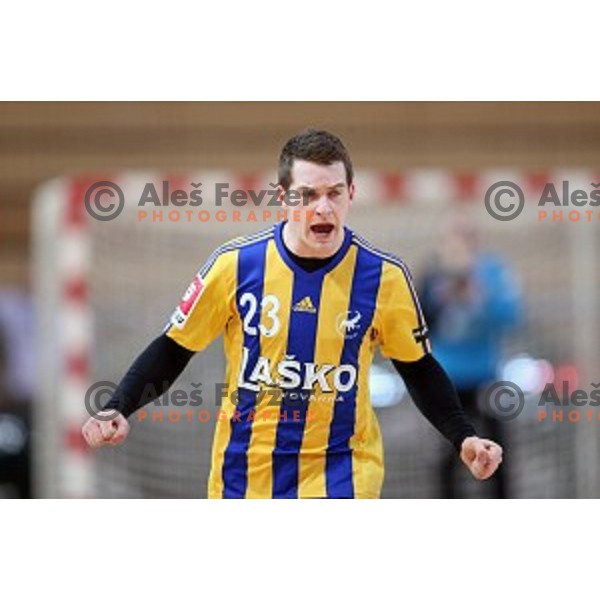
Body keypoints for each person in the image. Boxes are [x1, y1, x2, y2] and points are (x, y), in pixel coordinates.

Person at [82, 129, 503, 499]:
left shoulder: (385, 278)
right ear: (283, 198)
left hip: (344, 475)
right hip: (245, 477)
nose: (323, 208)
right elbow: (175, 346)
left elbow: (418, 368)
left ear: (351, 194)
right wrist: (119, 405)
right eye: (308, 195)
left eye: (334, 193)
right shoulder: (235, 266)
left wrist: (463, 435)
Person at [419, 216, 522, 498]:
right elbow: (420, 323)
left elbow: (512, 316)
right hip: (447, 379)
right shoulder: (433, 274)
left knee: (497, 452)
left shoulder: (493, 271)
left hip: (485, 375)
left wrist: (479, 297)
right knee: (447, 455)